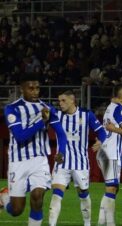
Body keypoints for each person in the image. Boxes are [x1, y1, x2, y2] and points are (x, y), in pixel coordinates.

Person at [0, 73, 67, 226]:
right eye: (31, 88)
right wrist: (42, 121)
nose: (35, 91)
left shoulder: (48, 108)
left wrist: (61, 151)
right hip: (18, 161)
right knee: (17, 210)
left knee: (38, 196)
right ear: (22, 89)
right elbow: (20, 136)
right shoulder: (12, 109)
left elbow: (61, 134)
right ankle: (4, 198)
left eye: (37, 88)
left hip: (40, 160)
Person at [48, 90, 107, 226]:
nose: (60, 103)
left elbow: (101, 132)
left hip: (80, 162)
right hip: (61, 162)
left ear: (72, 100)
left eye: (63, 100)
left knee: (83, 194)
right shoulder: (56, 115)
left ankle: (87, 223)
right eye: (59, 101)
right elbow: (45, 108)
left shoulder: (87, 115)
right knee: (56, 195)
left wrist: (100, 141)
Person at [95, 83, 122, 226]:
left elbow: (115, 128)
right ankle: (110, 223)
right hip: (110, 153)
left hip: (107, 152)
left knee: (113, 187)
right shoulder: (119, 110)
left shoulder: (111, 107)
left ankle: (101, 221)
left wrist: (114, 129)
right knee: (111, 188)